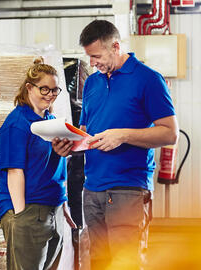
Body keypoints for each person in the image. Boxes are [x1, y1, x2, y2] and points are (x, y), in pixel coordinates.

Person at [52, 20, 178, 270]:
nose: (93, 63)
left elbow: (169, 134)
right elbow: (88, 131)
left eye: (96, 56)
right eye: (89, 57)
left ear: (116, 47)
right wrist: (69, 143)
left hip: (128, 189)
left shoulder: (148, 79)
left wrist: (123, 135)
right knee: (98, 261)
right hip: (93, 189)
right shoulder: (92, 83)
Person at [0, 59, 76, 270]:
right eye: (44, 89)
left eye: (54, 90)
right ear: (29, 88)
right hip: (29, 210)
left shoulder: (51, 121)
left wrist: (63, 204)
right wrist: (21, 216)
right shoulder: (17, 124)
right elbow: (14, 172)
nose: (50, 95)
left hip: (53, 208)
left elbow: (55, 166)